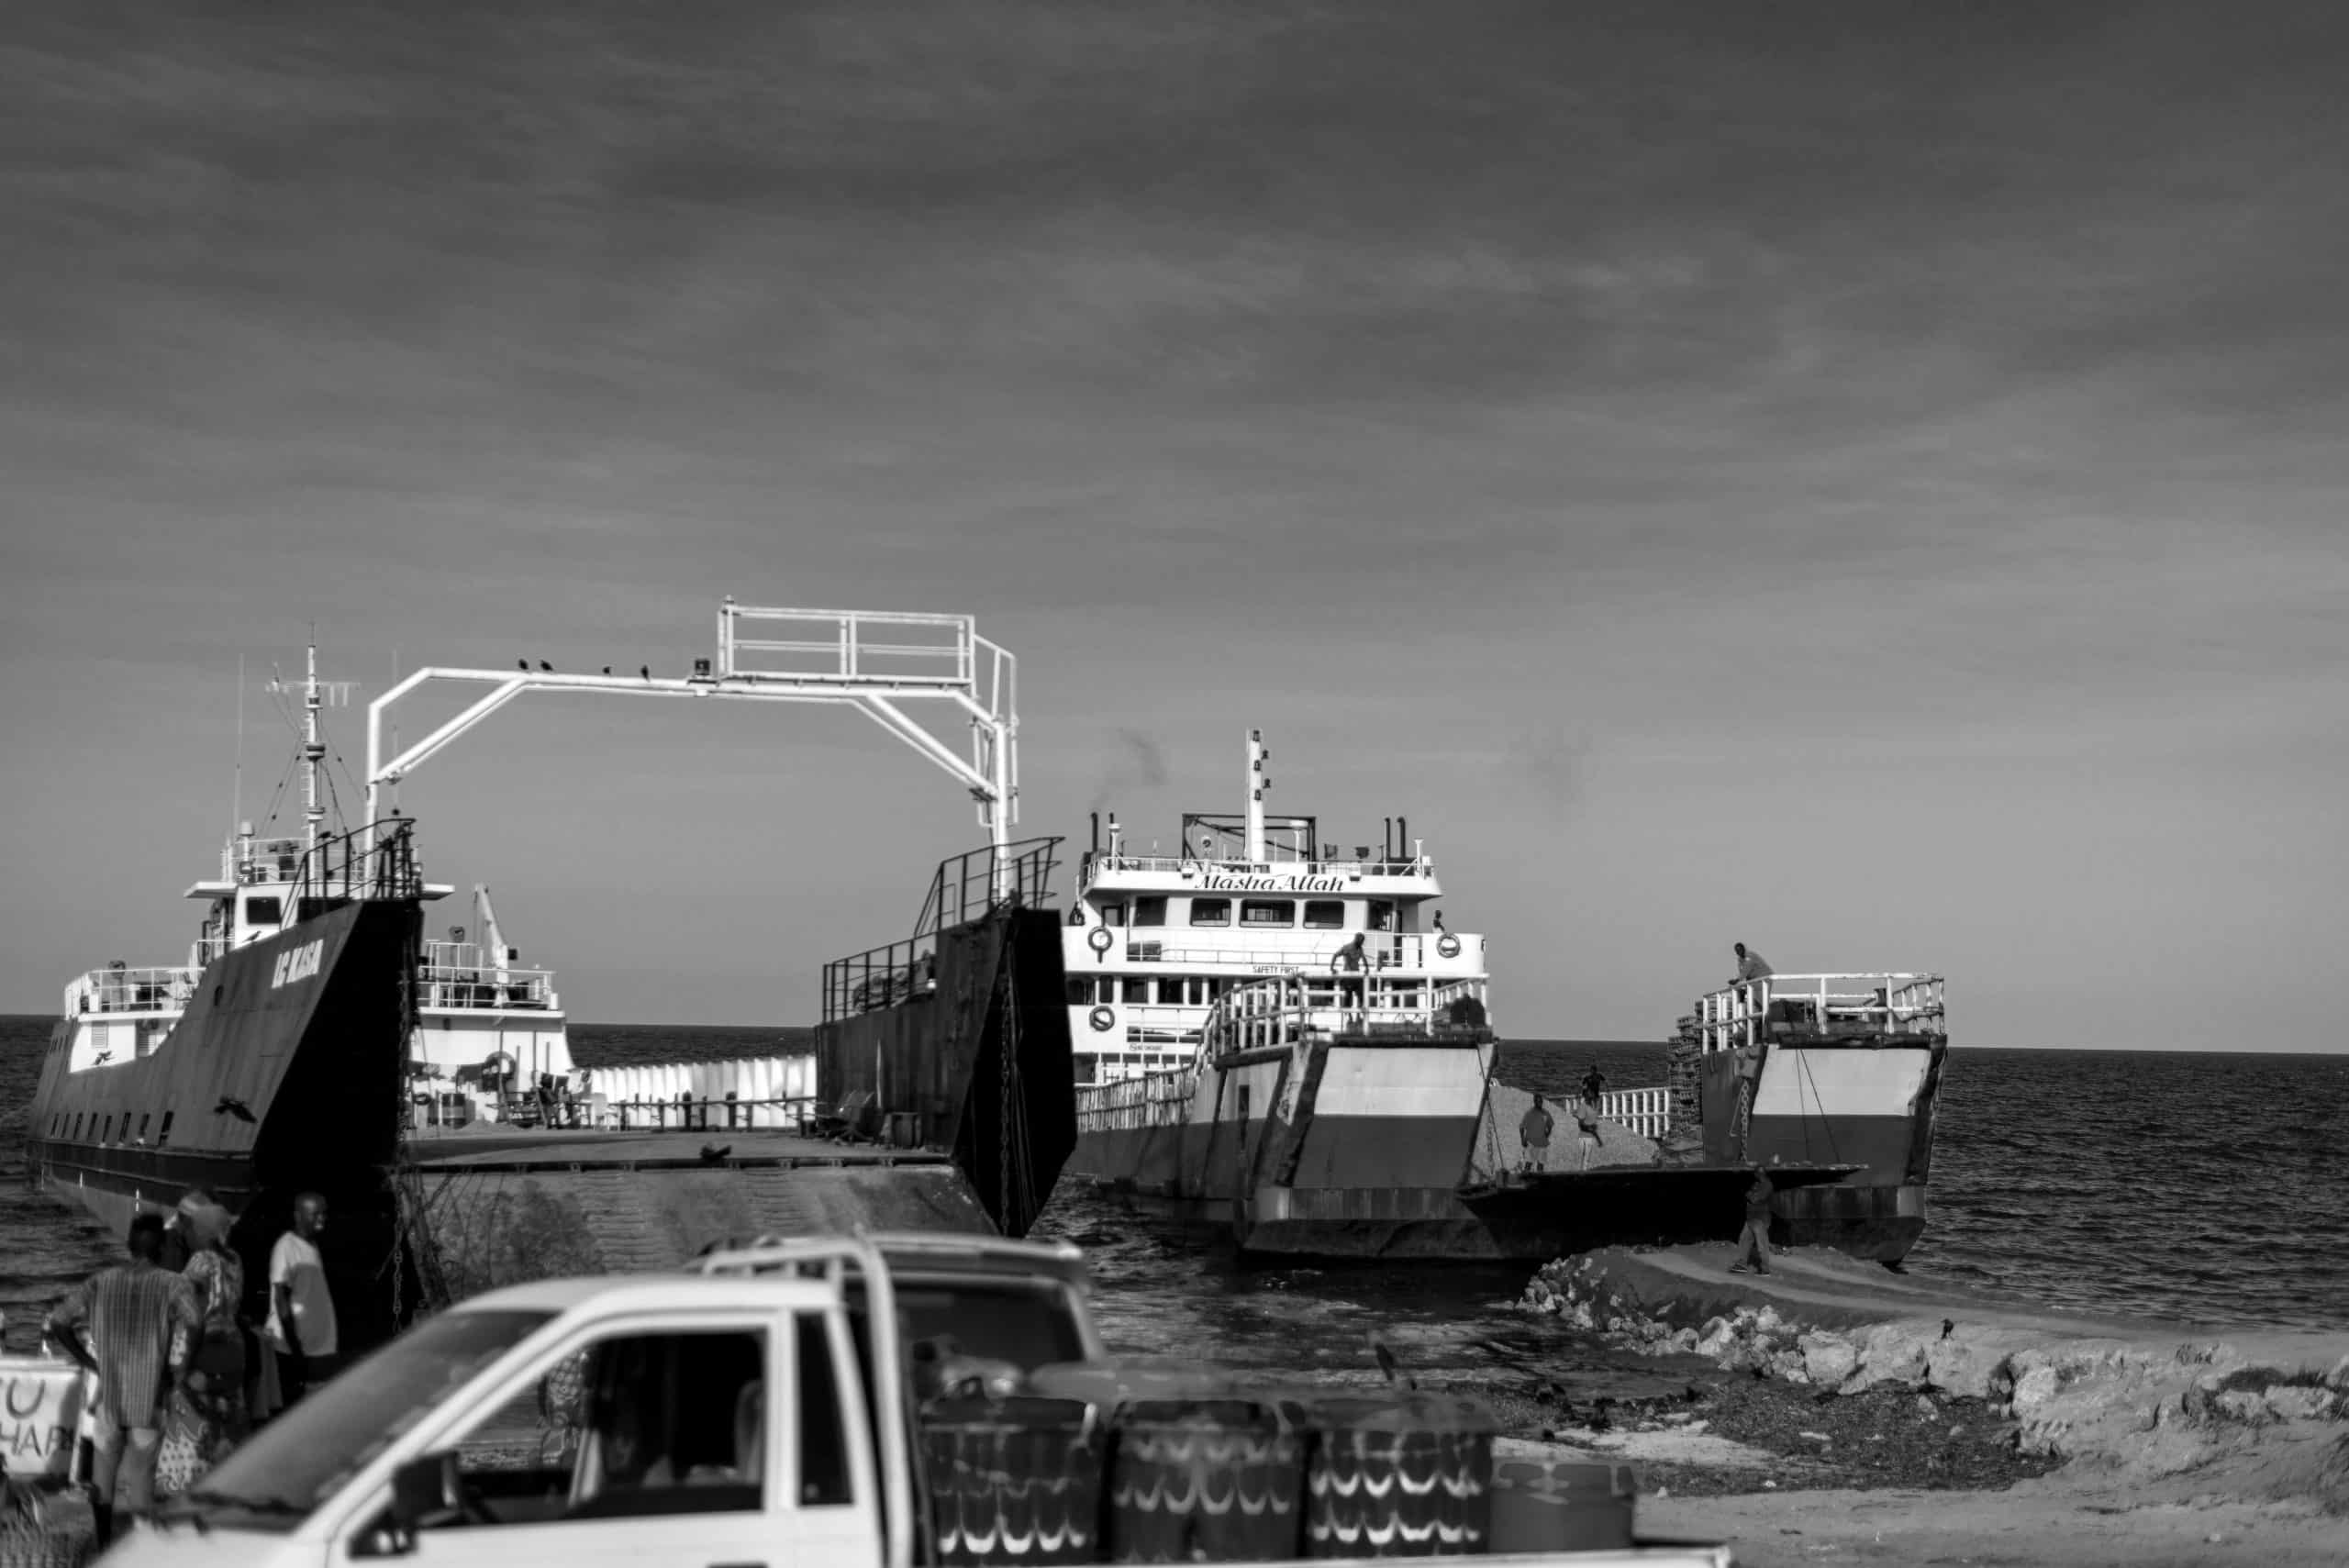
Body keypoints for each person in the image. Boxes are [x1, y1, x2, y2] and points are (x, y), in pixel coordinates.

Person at [45, 1213, 200, 1544]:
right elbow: (196, 1322)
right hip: (150, 1393)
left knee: (103, 1474)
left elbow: (59, 1322)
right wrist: (181, 1368)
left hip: (109, 1393)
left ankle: (103, 1544)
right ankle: (141, 1547)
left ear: (129, 1245)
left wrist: (90, 1362)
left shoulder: (100, 1282)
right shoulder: (173, 1284)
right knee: (142, 1472)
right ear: (161, 1247)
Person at [157, 1193, 247, 1496]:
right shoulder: (235, 1261)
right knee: (227, 1425)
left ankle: (188, 1495)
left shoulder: (200, 1261)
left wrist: (179, 1368)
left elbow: (186, 1312)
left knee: (190, 1434)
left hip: (203, 1354)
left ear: (203, 1232)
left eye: (194, 1229)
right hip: (233, 1354)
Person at [265, 1193, 339, 1404]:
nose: (322, 1219)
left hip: (318, 1349)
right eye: (315, 1214)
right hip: (298, 1351)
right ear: (298, 1215)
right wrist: (297, 1351)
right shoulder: (286, 1247)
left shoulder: (312, 1246)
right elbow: (281, 1301)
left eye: (324, 1213)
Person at [1731, 1167, 1776, 1275]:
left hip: (1760, 1219)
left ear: (1761, 1174)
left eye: (1757, 1174)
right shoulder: (1757, 1184)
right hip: (1751, 1219)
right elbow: (1751, 1194)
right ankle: (1741, 1265)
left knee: (1761, 1245)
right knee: (1744, 1241)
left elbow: (1754, 1198)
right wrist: (1750, 1194)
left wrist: (1749, 1194)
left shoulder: (1767, 1185)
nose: (1755, 1176)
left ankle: (1765, 1269)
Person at [1518, 1094, 1553, 1173]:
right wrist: (1522, 1139)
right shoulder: (1529, 1113)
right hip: (1531, 1143)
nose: (1540, 1103)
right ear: (1534, 1102)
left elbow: (1550, 1125)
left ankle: (1539, 1181)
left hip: (1543, 1143)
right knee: (1528, 1163)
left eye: (1541, 1101)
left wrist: (1547, 1134)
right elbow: (1521, 1128)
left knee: (1541, 1164)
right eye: (1538, 1101)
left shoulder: (1546, 1113)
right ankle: (1526, 1181)